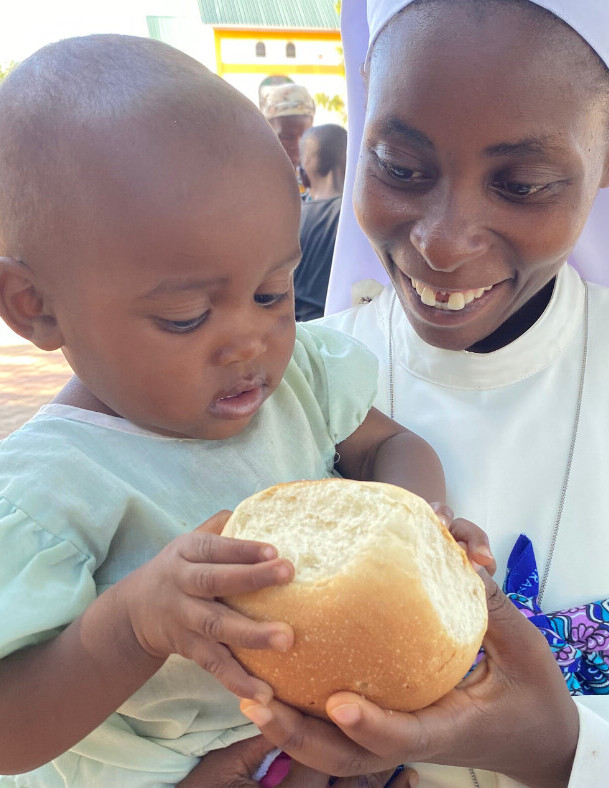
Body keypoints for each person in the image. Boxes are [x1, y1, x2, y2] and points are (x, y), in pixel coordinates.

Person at [214, 0, 609, 785]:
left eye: (522, 184)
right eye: (401, 168)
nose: (444, 242)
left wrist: (564, 749)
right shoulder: (273, 388)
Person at [0, 35, 493, 787]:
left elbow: (391, 447)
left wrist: (416, 524)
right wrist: (133, 624)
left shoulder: (295, 381)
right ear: (35, 306)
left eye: (272, 293)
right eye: (187, 316)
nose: (250, 342)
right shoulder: (47, 492)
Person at [296, 125, 348, 321]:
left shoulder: (287, 216)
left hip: (295, 332)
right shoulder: (362, 217)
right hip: (344, 329)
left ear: (303, 176)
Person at [260, 83, 316, 174]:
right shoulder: (255, 174)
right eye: (287, 137)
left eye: (305, 136)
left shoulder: (316, 175)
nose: (298, 145)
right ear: (268, 134)